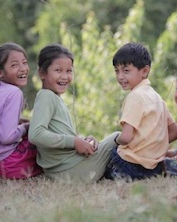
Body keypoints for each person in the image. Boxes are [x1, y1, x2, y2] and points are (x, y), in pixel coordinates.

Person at [28, 43, 120, 184]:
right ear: (42, 73)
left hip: (70, 168)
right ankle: (153, 165)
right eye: (58, 70)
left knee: (106, 143)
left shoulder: (54, 97)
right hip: (71, 171)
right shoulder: (46, 96)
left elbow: (62, 134)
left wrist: (83, 141)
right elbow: (36, 134)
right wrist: (74, 141)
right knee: (118, 137)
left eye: (69, 71)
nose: (65, 76)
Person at [103, 42, 177, 181]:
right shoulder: (157, 97)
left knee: (108, 152)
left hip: (128, 166)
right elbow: (175, 132)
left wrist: (115, 140)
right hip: (153, 169)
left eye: (126, 71)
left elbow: (125, 137)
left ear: (144, 71)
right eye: (117, 71)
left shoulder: (135, 96)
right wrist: (154, 147)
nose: (120, 76)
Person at [0, 42, 42, 179]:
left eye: (24, 63)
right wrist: (26, 127)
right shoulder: (14, 93)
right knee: (44, 132)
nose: (23, 69)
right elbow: (6, 137)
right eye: (14, 65)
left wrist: (18, 123)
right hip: (9, 165)